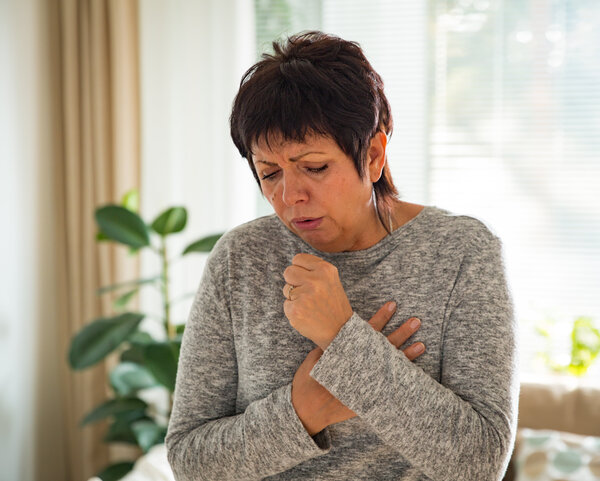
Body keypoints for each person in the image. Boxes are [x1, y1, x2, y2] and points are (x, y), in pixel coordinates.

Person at [166, 31, 518, 480]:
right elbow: (189, 460)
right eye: (269, 173)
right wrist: (303, 410)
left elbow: (481, 462)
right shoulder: (240, 259)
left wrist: (342, 337)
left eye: (314, 167)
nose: (290, 196)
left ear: (372, 155)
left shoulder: (463, 252)